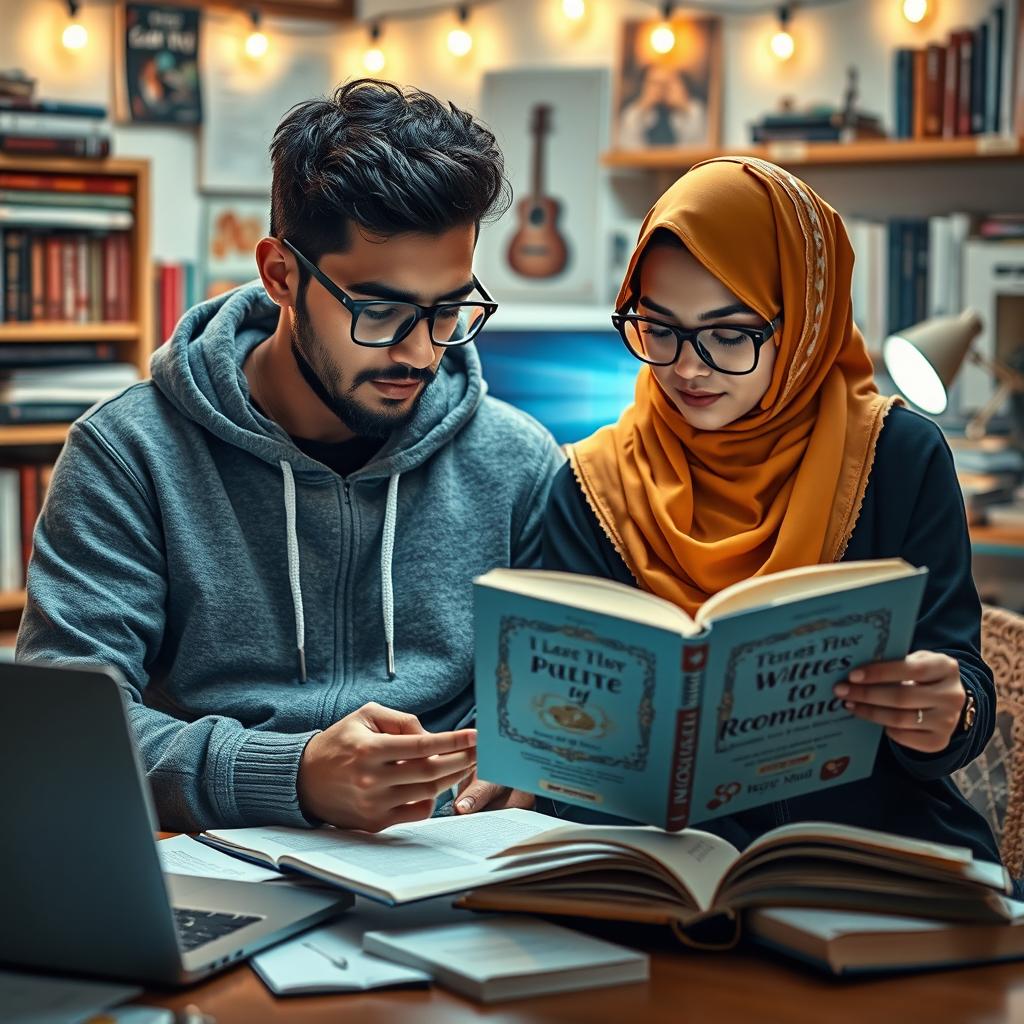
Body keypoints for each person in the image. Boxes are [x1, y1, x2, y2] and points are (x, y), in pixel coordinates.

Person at [17, 80, 563, 834]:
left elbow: (548, 698)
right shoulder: (128, 455)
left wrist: (525, 751)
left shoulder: (519, 463)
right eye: (379, 311)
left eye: (448, 310)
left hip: (454, 874)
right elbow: (69, 725)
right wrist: (291, 775)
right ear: (281, 275)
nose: (420, 350)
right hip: (222, 859)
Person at [542, 156, 1003, 867]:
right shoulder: (589, 485)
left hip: (873, 854)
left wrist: (944, 711)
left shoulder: (899, 458)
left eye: (729, 335)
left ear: (804, 326)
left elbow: (958, 686)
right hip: (656, 867)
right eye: (658, 327)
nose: (688, 368)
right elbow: (567, 744)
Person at [617, 65, 708, 149]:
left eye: (668, 83)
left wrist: (684, 107)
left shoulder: (694, 110)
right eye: (654, 83)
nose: (662, 89)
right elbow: (627, 147)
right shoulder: (633, 112)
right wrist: (642, 107)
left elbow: (700, 146)